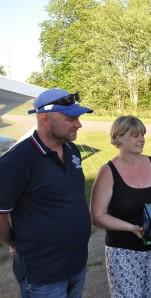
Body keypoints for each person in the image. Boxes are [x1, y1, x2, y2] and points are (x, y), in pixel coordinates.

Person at [0, 88, 93, 297]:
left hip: (76, 264)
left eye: (78, 117)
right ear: (44, 118)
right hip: (44, 274)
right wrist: (15, 242)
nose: (78, 124)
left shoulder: (72, 150)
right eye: (70, 118)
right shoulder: (17, 160)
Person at [90, 115, 151, 298]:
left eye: (143, 135)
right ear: (119, 137)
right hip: (123, 250)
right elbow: (97, 216)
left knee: (150, 294)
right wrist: (131, 228)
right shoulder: (108, 172)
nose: (141, 139)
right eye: (135, 135)